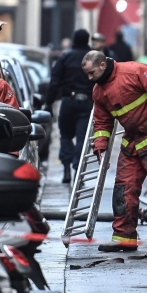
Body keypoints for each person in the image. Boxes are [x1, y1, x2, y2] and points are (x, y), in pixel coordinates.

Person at [82, 51, 147, 251]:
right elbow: (102, 121)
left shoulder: (135, 71)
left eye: (92, 73)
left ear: (102, 65)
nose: (89, 78)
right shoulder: (99, 92)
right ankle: (124, 237)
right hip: (133, 142)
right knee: (123, 189)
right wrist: (100, 145)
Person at [47, 29, 95, 183]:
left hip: (68, 102)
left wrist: (48, 103)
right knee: (82, 139)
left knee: (65, 136)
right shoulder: (92, 58)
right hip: (88, 103)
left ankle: (66, 169)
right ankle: (78, 172)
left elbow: (54, 82)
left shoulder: (65, 57)